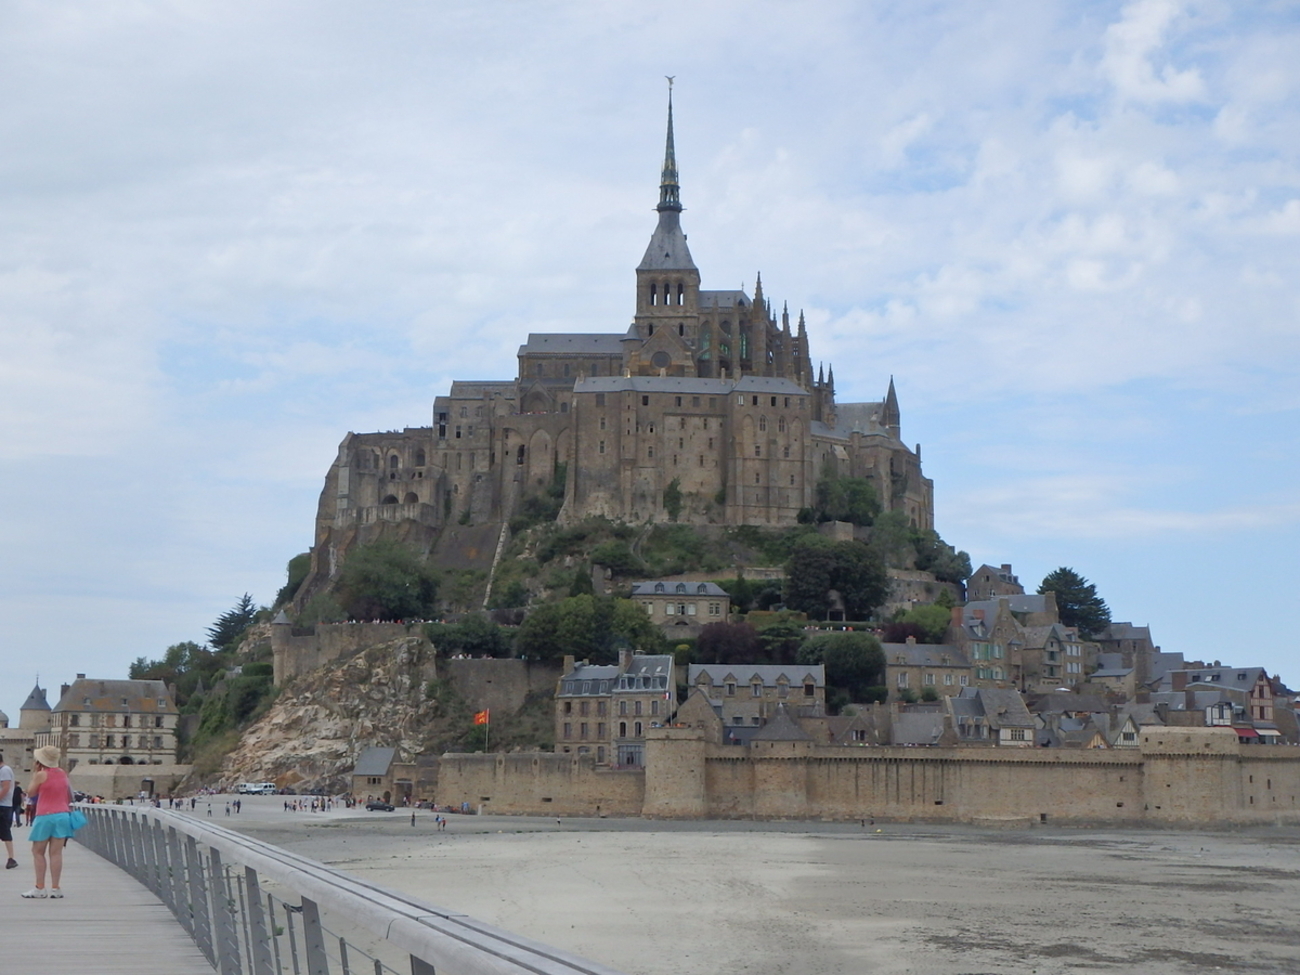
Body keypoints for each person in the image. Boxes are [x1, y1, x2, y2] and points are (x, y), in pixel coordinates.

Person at [22, 745, 86, 899]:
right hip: (62, 815)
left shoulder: (41, 775)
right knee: (56, 853)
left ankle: (40, 888)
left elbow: (30, 793)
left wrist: (35, 775)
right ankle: (56, 888)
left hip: (45, 815)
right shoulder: (62, 773)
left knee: (38, 851)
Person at [0, 751, 16, 869]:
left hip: (3, 806)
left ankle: (11, 858)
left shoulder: (4, 770)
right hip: (3, 805)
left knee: (5, 832)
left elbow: (6, 788)